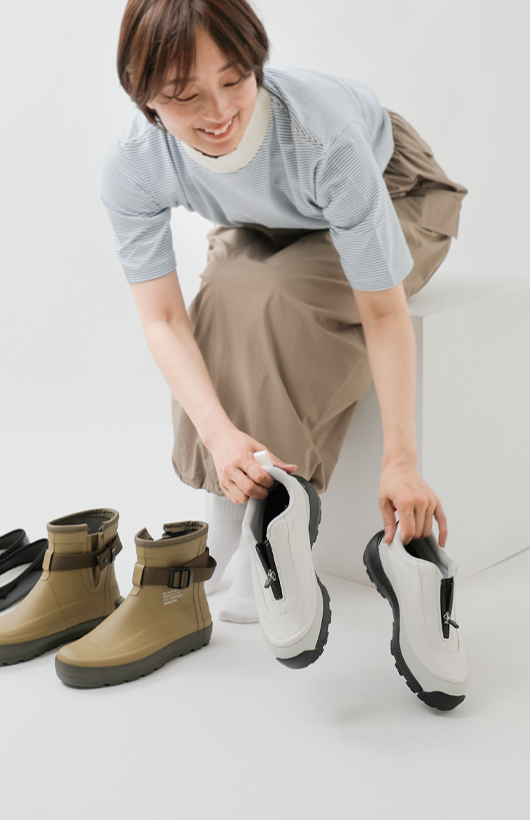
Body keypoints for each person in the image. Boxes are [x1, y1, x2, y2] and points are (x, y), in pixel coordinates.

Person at [103, 0, 467, 626]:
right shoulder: (134, 163)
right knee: (223, 289)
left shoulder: (322, 137)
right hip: (272, 214)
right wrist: (219, 439)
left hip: (399, 194)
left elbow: (383, 316)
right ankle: (227, 507)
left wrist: (401, 461)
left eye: (234, 80)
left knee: (276, 294)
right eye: (185, 96)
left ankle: (274, 518)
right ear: (144, 96)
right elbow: (162, 319)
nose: (218, 112)